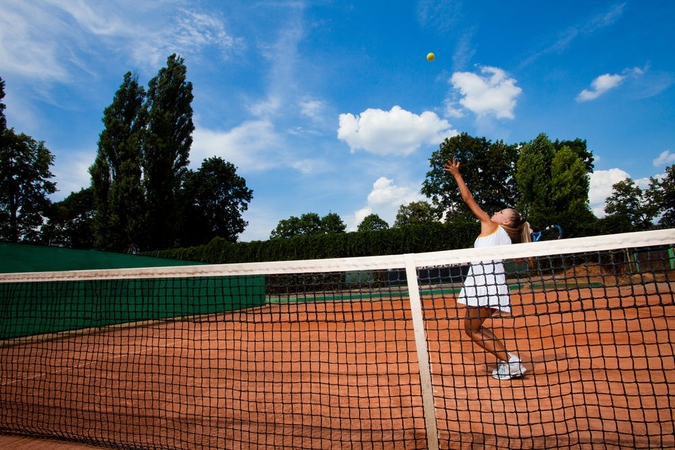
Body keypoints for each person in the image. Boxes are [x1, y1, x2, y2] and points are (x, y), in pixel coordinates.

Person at [444, 157, 532, 380]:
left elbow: (468, 199)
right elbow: (520, 262)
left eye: (502, 212)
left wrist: (456, 174)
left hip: (484, 287)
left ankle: (511, 362)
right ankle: (509, 359)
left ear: (507, 222)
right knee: (475, 328)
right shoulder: (507, 240)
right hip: (490, 287)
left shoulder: (492, 226)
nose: (497, 212)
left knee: (471, 330)